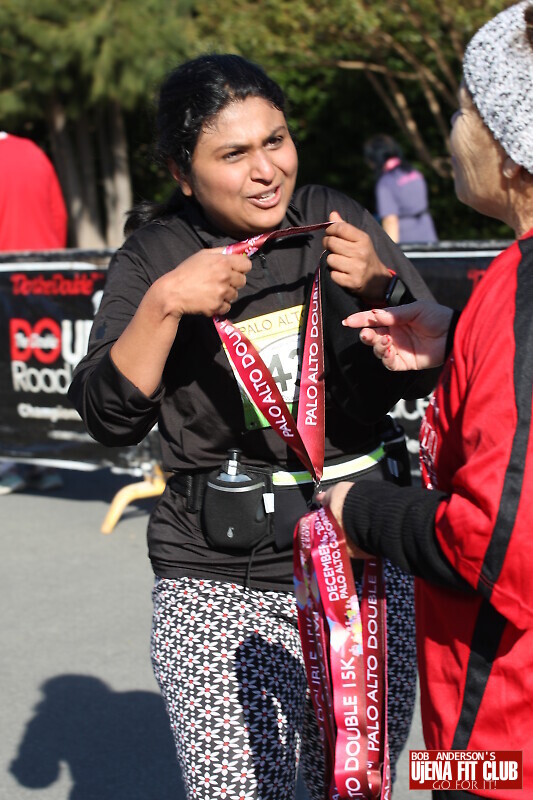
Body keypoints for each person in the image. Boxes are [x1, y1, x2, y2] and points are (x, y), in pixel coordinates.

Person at [68, 54, 440, 800]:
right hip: (218, 578)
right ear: (182, 172)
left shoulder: (335, 216)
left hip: (363, 561)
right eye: (233, 154)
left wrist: (382, 286)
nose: (266, 171)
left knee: (356, 786)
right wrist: (166, 305)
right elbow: (108, 417)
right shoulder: (155, 257)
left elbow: (421, 370)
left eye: (275, 140)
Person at [321, 3, 533, 798]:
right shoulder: (503, 293)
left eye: (463, 110)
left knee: (439, 779)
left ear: (509, 150)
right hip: (485, 720)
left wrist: (358, 511)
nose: (450, 132)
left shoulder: (520, 297)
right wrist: (465, 336)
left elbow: (500, 545)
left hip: (503, 745)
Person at [0, 132, 68, 494]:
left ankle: (8, 464)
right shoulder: (32, 152)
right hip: (45, 281)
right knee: (37, 371)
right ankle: (45, 462)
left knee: (7, 373)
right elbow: (58, 215)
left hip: (6, 280)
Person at [364, 133, 438, 244]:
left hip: (406, 239)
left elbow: (390, 221)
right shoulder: (413, 172)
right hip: (427, 232)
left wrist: (391, 250)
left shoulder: (386, 182)